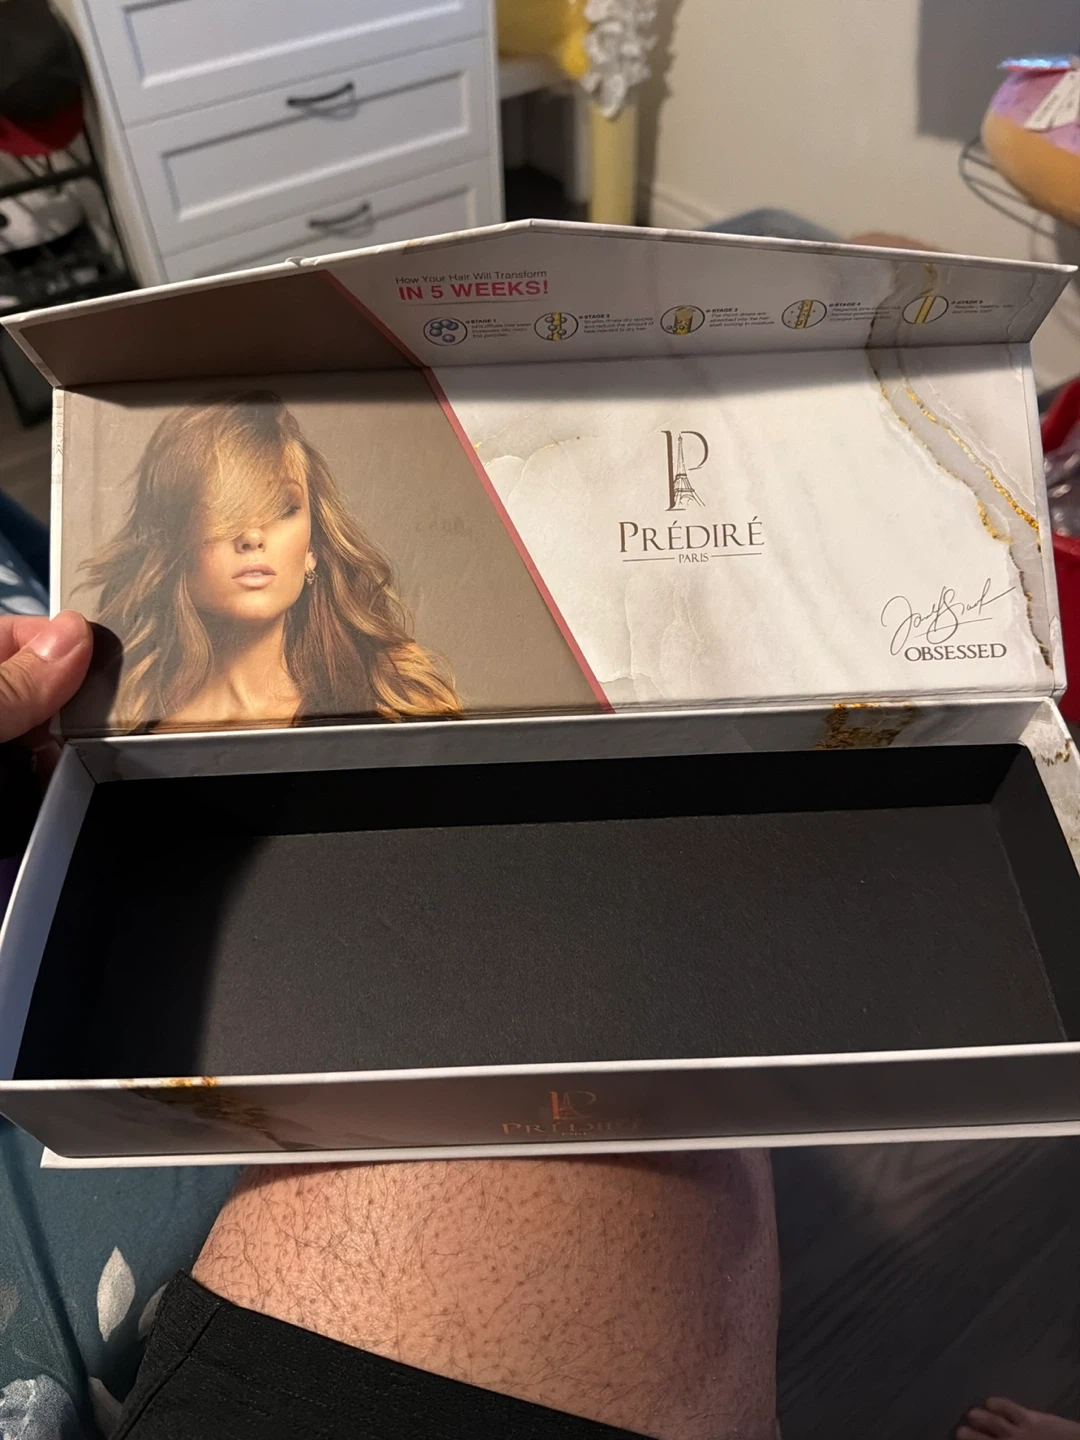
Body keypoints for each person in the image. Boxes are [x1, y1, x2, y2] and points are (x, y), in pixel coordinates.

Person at [80, 391, 460, 732]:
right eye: (225, 507)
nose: (253, 536)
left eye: (282, 507)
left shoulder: (394, 705)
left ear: (313, 549)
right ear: (174, 543)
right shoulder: (131, 739)